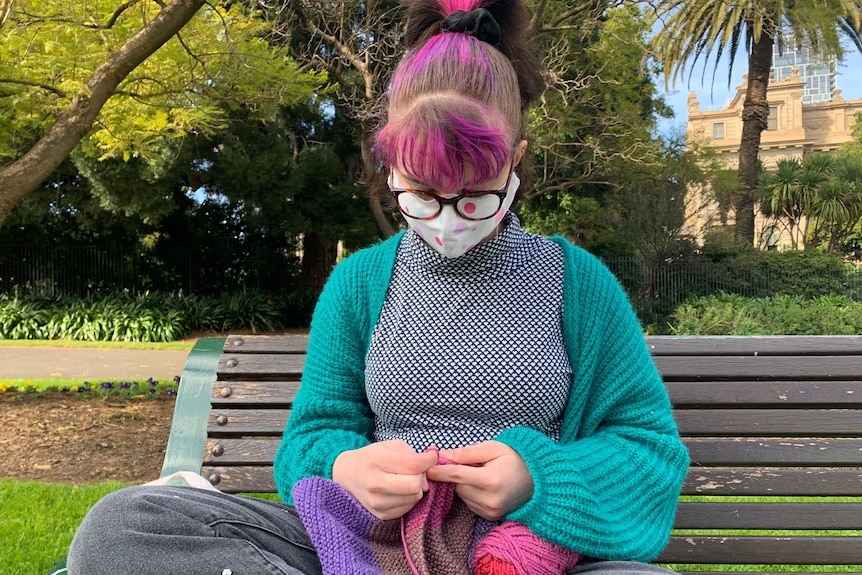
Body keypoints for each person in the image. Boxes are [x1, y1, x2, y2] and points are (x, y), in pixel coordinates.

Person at [67, 0, 688, 572]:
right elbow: (311, 439)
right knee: (120, 528)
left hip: (524, 549)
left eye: (474, 195)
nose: (446, 215)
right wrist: (346, 466)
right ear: (388, 162)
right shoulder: (360, 283)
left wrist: (538, 478)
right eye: (420, 192)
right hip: (364, 543)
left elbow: (649, 449)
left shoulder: (578, 284)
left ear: (516, 159)